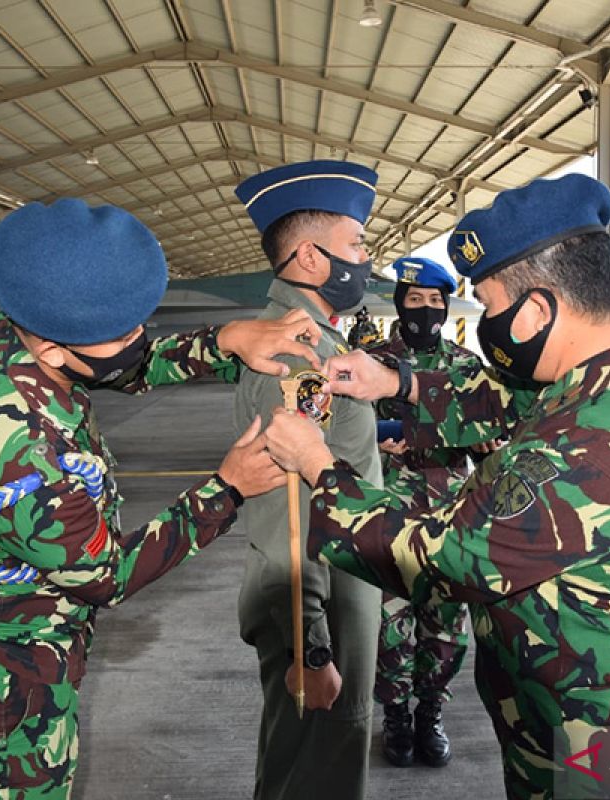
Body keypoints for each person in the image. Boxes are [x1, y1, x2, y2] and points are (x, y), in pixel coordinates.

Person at [265, 173, 610, 800]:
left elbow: (444, 560)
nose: (487, 324)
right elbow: (516, 396)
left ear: (538, 310)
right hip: (567, 698)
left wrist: (316, 465)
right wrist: (398, 383)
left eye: (492, 306)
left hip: (585, 736)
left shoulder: (594, 449)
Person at [0, 198, 325, 799]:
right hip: (3, 713)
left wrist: (223, 341)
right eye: (121, 330)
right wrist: (227, 489)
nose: (138, 338)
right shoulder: (27, 459)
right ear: (54, 351)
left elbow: (119, 366)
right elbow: (106, 575)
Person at [232, 160, 383, 800]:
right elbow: (288, 508)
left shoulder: (313, 340)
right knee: (317, 771)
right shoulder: (301, 354)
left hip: (335, 592)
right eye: (354, 244)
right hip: (321, 602)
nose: (366, 257)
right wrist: (311, 646)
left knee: (307, 765)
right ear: (310, 258)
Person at [365, 256, 479, 768]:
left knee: (444, 625)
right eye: (416, 301)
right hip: (388, 517)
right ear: (400, 306)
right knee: (391, 626)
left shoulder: (466, 366)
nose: (428, 311)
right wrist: (373, 443)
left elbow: (485, 434)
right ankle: (395, 715)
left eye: (437, 302)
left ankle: (431, 711)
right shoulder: (370, 362)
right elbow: (343, 431)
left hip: (448, 519)